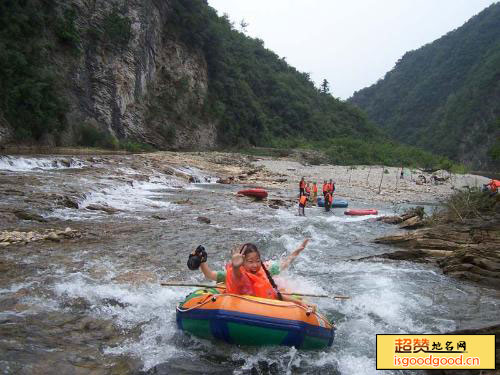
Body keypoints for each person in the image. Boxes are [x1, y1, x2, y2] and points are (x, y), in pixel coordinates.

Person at [195, 240, 311, 301]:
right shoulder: (234, 273)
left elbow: (284, 264)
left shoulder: (266, 270)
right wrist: (202, 261)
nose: (255, 265)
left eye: (257, 260)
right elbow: (209, 275)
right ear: (243, 262)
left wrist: (297, 251)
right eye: (250, 262)